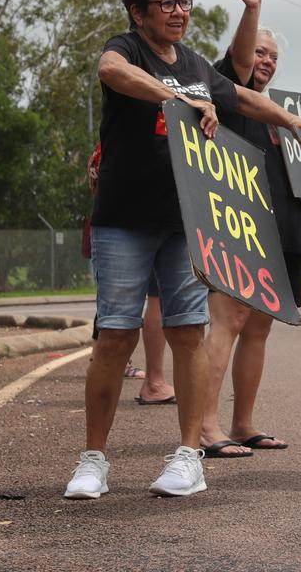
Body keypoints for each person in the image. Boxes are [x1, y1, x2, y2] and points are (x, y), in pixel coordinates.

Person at [64, 0, 301, 500]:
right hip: (122, 222)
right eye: (166, 3)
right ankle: (93, 462)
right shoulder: (127, 48)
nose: (178, 12)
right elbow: (112, 72)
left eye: (184, 2)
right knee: (114, 336)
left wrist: (290, 119)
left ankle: (187, 457)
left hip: (184, 224)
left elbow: (242, 94)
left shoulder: (198, 65)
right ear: (138, 12)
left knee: (187, 334)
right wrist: (174, 96)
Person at [197, 0, 301, 458]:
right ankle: (206, 427)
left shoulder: (283, 119)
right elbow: (240, 66)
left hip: (281, 230)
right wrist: (253, 10)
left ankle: (243, 423)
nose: (264, 62)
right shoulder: (232, 97)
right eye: (259, 53)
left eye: (273, 56)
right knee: (228, 318)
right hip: (237, 224)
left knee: (261, 326)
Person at [88, 143, 175, 405]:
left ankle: (148, 378)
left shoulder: (106, 146)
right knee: (140, 307)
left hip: (132, 213)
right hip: (146, 213)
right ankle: (154, 381)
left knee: (119, 314)